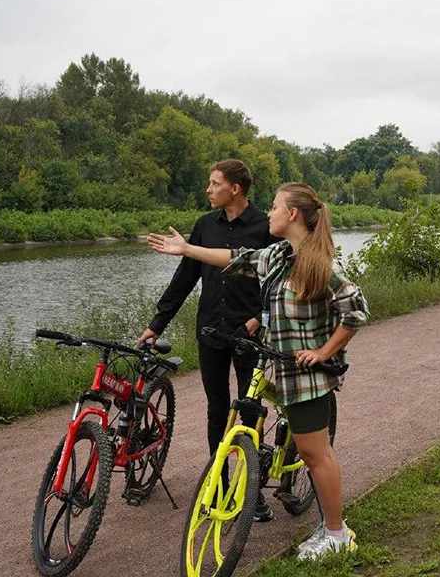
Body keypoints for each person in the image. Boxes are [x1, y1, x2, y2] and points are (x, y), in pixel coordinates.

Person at [148, 181, 368, 561]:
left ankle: (336, 533)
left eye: (275, 207)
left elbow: (356, 311)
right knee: (262, 424)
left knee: (316, 455)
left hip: (305, 375)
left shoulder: (321, 264)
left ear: (293, 214)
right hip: (274, 365)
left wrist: (322, 350)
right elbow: (234, 257)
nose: (269, 213)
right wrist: (186, 249)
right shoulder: (278, 256)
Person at [138, 159, 277, 521]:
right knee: (218, 409)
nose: (208, 189)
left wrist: (259, 317)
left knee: (249, 412)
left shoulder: (266, 227)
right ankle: (218, 485)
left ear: (235, 188)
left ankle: (251, 493)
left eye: (214, 183)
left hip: (251, 336)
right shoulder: (204, 226)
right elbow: (185, 279)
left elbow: (278, 280)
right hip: (212, 332)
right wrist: (157, 324)